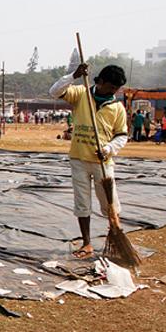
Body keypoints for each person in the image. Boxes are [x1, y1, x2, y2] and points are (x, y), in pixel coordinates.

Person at [49, 63, 128, 260]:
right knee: (82, 202)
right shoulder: (81, 93)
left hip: (103, 162)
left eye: (116, 90)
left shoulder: (117, 108)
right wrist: (73, 75)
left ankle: (116, 236)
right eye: (110, 88)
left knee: (110, 203)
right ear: (100, 81)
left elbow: (121, 136)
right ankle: (87, 243)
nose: (113, 92)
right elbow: (54, 92)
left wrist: (109, 149)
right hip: (79, 158)